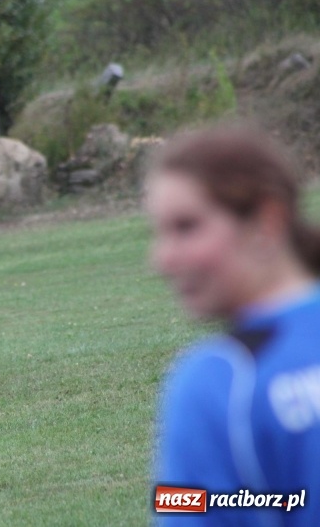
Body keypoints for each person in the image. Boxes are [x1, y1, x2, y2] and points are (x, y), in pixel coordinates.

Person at [146, 127, 320, 524]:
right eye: (158, 232)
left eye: (186, 227)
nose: (161, 259)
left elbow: (182, 504)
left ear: (267, 221)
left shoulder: (217, 382)